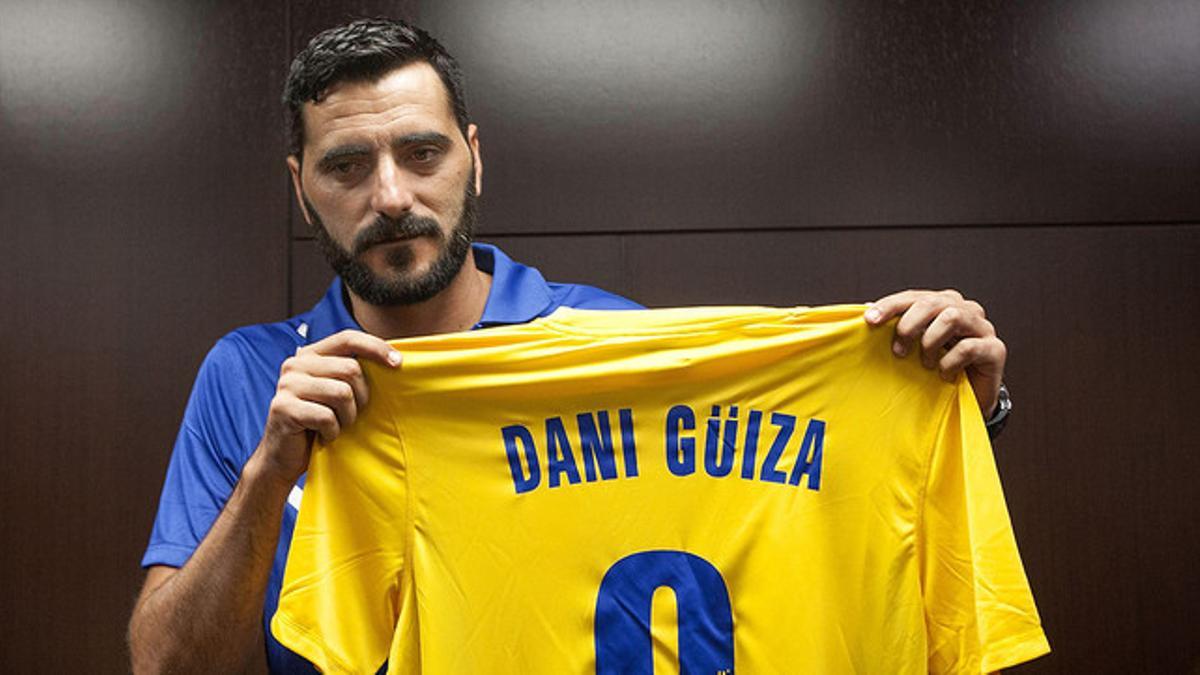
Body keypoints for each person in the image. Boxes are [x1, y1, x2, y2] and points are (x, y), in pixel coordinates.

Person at [127, 17, 1011, 674]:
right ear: (301, 187)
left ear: (474, 156)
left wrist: (948, 408)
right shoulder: (252, 376)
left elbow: (793, 503)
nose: (392, 194)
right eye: (347, 165)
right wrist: (270, 471)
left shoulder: (608, 341)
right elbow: (164, 665)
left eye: (422, 152)